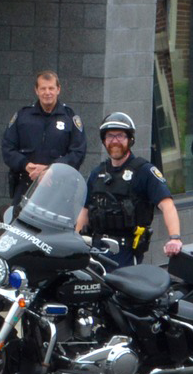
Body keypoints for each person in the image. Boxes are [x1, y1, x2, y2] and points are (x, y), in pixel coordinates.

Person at [76, 113, 183, 268]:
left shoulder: (144, 171)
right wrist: (76, 240)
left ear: (130, 139)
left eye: (120, 136)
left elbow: (167, 206)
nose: (114, 141)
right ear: (104, 140)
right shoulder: (97, 173)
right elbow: (85, 210)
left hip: (125, 252)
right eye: (110, 136)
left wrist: (175, 237)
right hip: (95, 248)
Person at [0, 71, 86, 206]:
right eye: (43, 88)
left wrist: (50, 170)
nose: (47, 92)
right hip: (26, 186)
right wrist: (25, 165)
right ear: (36, 90)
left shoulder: (70, 118)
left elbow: (78, 152)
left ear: (58, 89)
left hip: (59, 190)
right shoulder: (23, 116)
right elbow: (7, 148)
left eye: (51, 88)